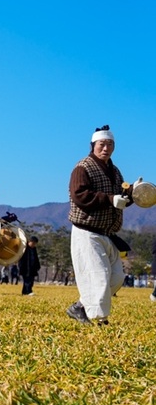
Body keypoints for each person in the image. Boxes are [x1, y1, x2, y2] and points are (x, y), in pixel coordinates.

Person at [67, 125, 137, 325]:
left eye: (109, 144)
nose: (105, 148)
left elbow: (120, 196)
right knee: (99, 277)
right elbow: (80, 195)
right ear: (93, 146)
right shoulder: (83, 167)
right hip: (87, 231)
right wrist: (110, 199)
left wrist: (132, 194)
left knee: (116, 277)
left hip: (107, 232)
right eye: (102, 144)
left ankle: (79, 306)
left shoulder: (115, 171)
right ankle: (99, 320)